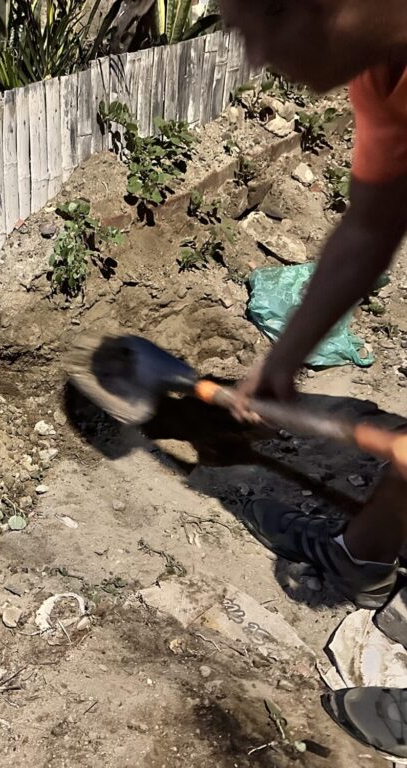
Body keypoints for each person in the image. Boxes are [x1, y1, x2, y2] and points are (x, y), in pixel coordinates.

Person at [218, 0, 407, 610]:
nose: (256, 57)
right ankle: (362, 558)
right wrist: (283, 359)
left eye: (269, 19)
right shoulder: (381, 72)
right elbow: (371, 226)